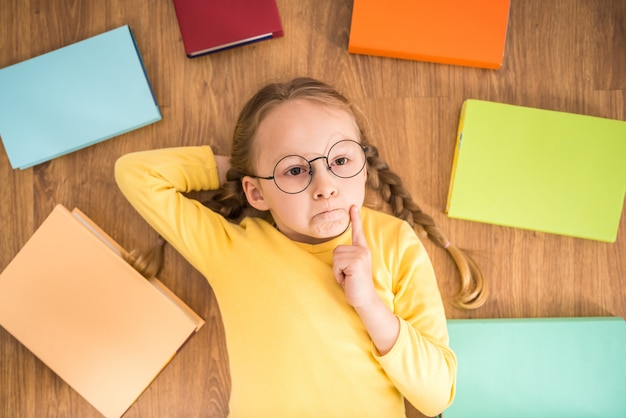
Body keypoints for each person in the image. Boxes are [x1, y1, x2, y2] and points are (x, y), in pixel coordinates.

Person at [114, 77, 486, 417]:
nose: (325, 186)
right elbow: (136, 175)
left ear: (363, 164)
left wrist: (369, 304)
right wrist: (239, 170)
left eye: (340, 160)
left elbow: (437, 396)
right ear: (256, 192)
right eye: (295, 170)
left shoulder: (394, 241)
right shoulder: (230, 250)